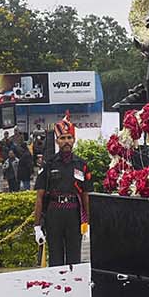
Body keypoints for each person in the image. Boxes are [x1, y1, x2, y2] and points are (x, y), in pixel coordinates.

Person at [33, 113, 91, 266]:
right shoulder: (49, 164)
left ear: (74, 139)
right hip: (54, 215)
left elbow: (86, 196)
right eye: (62, 138)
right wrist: (37, 225)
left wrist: (89, 223)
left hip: (74, 215)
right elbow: (39, 196)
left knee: (74, 259)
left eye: (69, 137)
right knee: (55, 259)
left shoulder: (82, 165)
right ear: (57, 141)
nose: (66, 141)